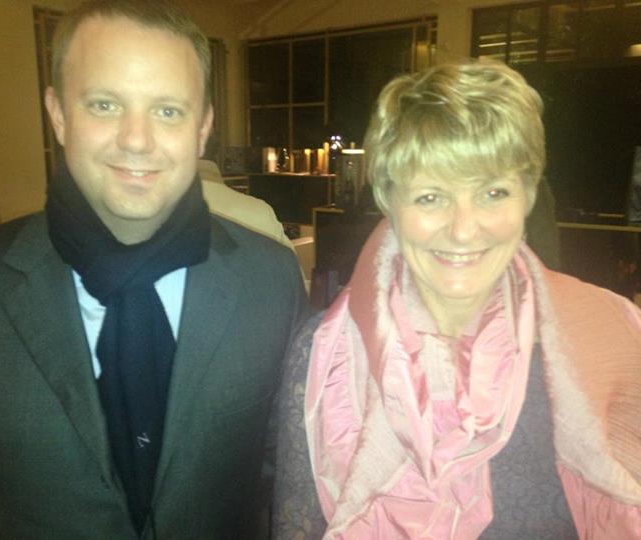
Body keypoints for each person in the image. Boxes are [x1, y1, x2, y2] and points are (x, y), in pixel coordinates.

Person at [0, 1, 306, 538]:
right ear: (58, 114)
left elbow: (279, 460)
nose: (136, 140)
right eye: (105, 105)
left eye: (167, 111)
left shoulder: (271, 281)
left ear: (202, 128)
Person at [272, 58, 641, 539]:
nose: (464, 229)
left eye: (493, 192)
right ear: (389, 202)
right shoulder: (325, 355)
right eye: (430, 197)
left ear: (529, 196)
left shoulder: (618, 336)